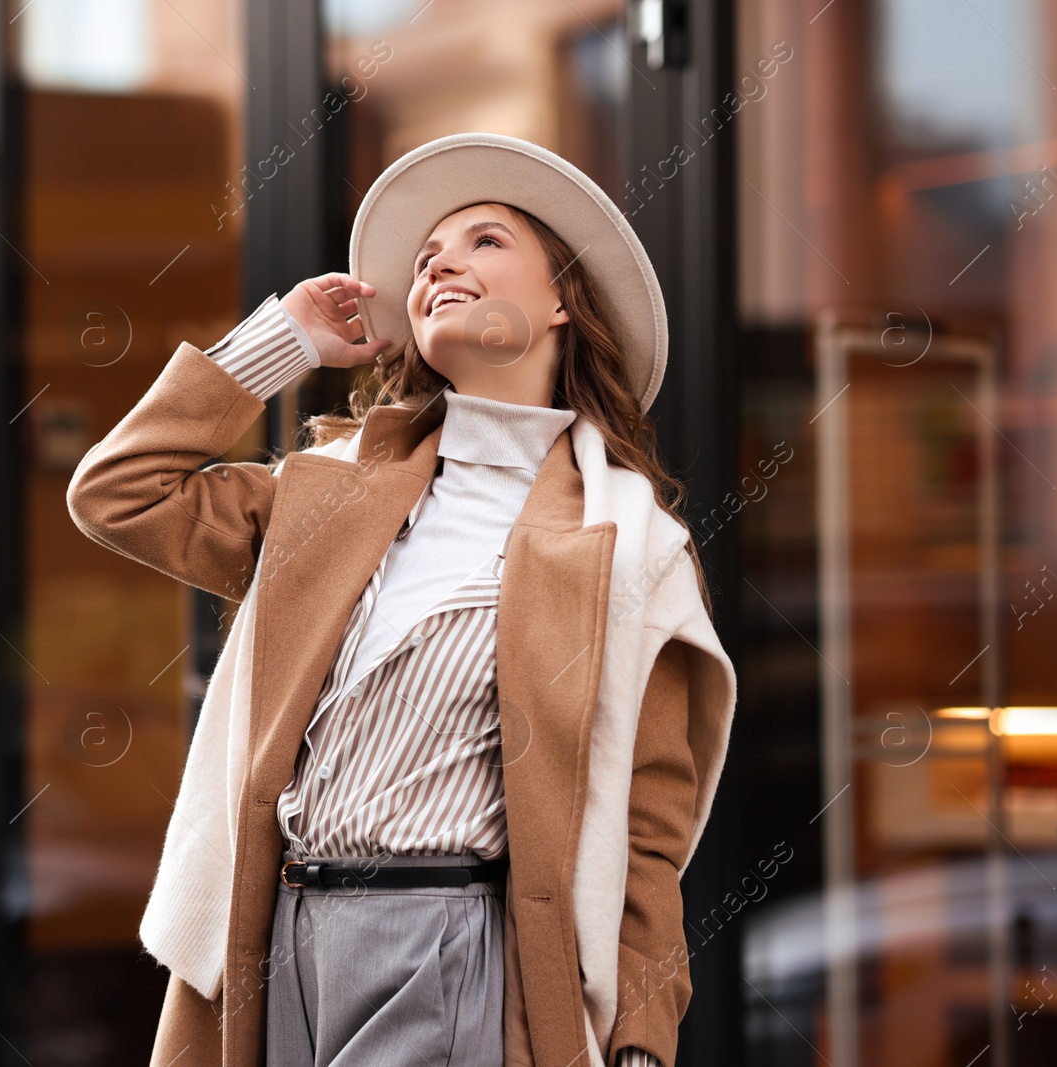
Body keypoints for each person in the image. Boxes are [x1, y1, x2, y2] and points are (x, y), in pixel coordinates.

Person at [66, 132, 737, 1067]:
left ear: (560, 304)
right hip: (272, 930)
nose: (440, 263)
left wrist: (637, 1037)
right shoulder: (325, 493)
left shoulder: (631, 549)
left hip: (447, 937)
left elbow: (646, 838)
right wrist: (280, 344)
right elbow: (119, 494)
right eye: (426, 258)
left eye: (485, 241)